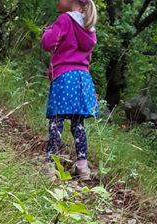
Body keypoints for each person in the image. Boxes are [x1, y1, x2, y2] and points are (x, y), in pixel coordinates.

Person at [41, 0, 99, 182]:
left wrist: (49, 29)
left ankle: (51, 166)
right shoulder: (89, 26)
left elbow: (47, 43)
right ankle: (82, 166)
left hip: (64, 77)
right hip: (83, 79)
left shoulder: (65, 20)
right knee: (78, 124)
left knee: (56, 122)